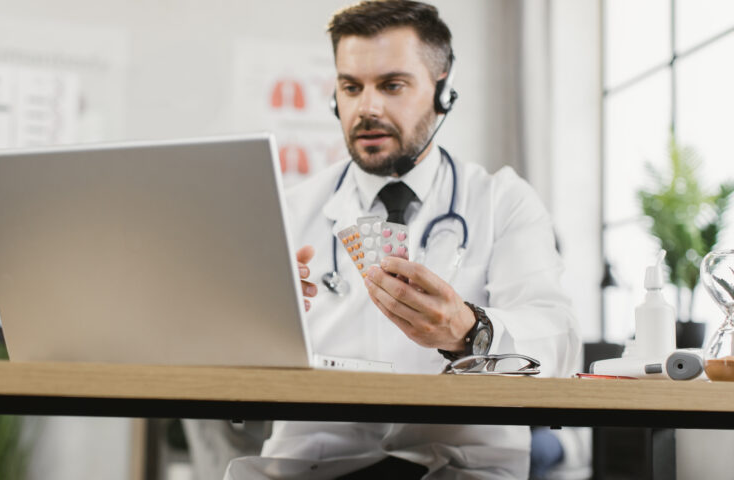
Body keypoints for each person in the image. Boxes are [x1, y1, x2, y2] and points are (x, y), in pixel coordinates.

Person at [225, 1, 581, 478]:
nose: (366, 107)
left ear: (443, 89)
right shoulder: (288, 209)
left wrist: (468, 328)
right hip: (312, 464)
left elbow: (559, 342)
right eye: (351, 87)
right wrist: (256, 324)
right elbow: (228, 366)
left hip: (460, 464)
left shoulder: (503, 202)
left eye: (392, 85)